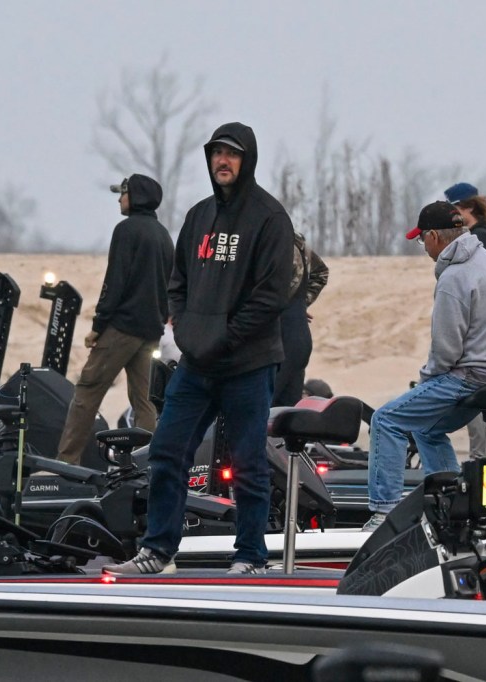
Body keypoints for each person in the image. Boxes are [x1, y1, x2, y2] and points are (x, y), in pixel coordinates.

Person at [103, 122, 294, 575]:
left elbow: (271, 297)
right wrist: (187, 330)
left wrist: (223, 338)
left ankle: (251, 556)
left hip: (248, 364)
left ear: (247, 160)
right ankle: (158, 552)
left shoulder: (270, 218)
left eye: (232, 154)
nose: (222, 161)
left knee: (248, 462)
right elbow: (178, 282)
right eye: (216, 153)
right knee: (167, 450)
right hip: (196, 364)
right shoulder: (198, 216)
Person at [363, 201, 486, 531]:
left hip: (475, 376)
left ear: (435, 237)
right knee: (427, 428)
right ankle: (452, 503)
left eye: (421, 240)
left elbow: (446, 351)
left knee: (386, 420)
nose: (423, 247)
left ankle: (383, 515)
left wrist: (425, 381)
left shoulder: (455, 276)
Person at [57, 174, 174, 464]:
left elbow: (115, 281)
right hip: (151, 332)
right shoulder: (163, 235)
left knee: (87, 391)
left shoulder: (126, 230)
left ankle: (66, 463)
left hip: (122, 329)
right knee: (145, 402)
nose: (119, 199)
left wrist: (98, 326)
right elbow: (170, 286)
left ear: (136, 197)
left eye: (123, 193)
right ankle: (148, 466)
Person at [445, 182, 486, 458]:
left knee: (478, 415)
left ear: (468, 208)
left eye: (455, 209)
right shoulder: (483, 237)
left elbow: (485, 287)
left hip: (483, 340)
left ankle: (480, 467)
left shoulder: (482, 240)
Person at [271, 232, 329, 406]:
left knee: (262, 408)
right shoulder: (294, 241)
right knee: (286, 413)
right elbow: (321, 273)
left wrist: (295, 305)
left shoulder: (273, 243)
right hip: (296, 336)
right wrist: (299, 305)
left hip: (278, 339)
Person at [444, 182, 486, 261]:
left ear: (470, 206)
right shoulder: (476, 235)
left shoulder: (481, 237)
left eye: (452, 208)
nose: (450, 213)